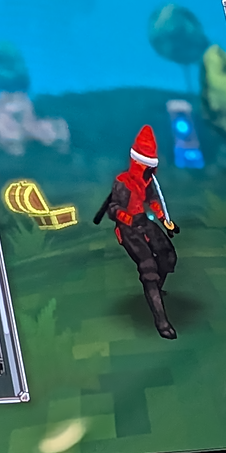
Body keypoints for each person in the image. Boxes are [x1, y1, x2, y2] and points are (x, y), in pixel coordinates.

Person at [93, 124, 179, 339]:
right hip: (128, 228)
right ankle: (161, 322)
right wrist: (128, 219)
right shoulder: (123, 183)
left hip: (143, 221)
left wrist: (165, 220)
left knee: (168, 255)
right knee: (148, 266)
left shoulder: (147, 180)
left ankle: (155, 289)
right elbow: (114, 210)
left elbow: (153, 199)